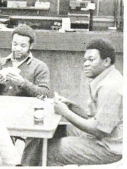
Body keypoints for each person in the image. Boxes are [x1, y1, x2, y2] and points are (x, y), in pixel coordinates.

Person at [21, 38, 122, 166]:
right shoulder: (105, 79)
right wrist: (71, 106)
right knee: (47, 133)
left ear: (106, 61)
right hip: (99, 137)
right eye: (85, 60)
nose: (85, 64)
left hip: (108, 147)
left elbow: (99, 130)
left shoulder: (110, 87)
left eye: (91, 60)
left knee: (49, 151)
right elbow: (94, 118)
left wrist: (66, 112)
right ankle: (25, 165)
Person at [0, 24, 50, 97]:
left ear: (31, 46)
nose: (17, 49)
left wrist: (23, 83)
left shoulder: (40, 67)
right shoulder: (0, 64)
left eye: (23, 46)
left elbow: (45, 94)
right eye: (15, 44)